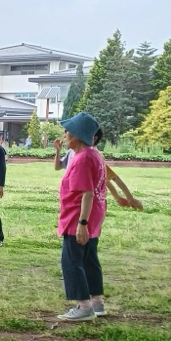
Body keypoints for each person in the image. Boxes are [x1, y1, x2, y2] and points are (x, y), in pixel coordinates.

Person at [55, 113, 108, 322]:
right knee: (89, 260)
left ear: (78, 135)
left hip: (79, 216)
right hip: (93, 215)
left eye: (68, 130)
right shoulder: (93, 154)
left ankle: (84, 306)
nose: (65, 134)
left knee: (72, 260)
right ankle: (97, 302)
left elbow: (87, 192)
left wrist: (82, 223)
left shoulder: (83, 158)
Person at [54, 131, 142, 211]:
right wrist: (58, 151)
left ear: (93, 138)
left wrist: (126, 198)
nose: (65, 134)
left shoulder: (93, 156)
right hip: (71, 200)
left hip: (87, 204)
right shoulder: (72, 152)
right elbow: (58, 167)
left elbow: (109, 178)